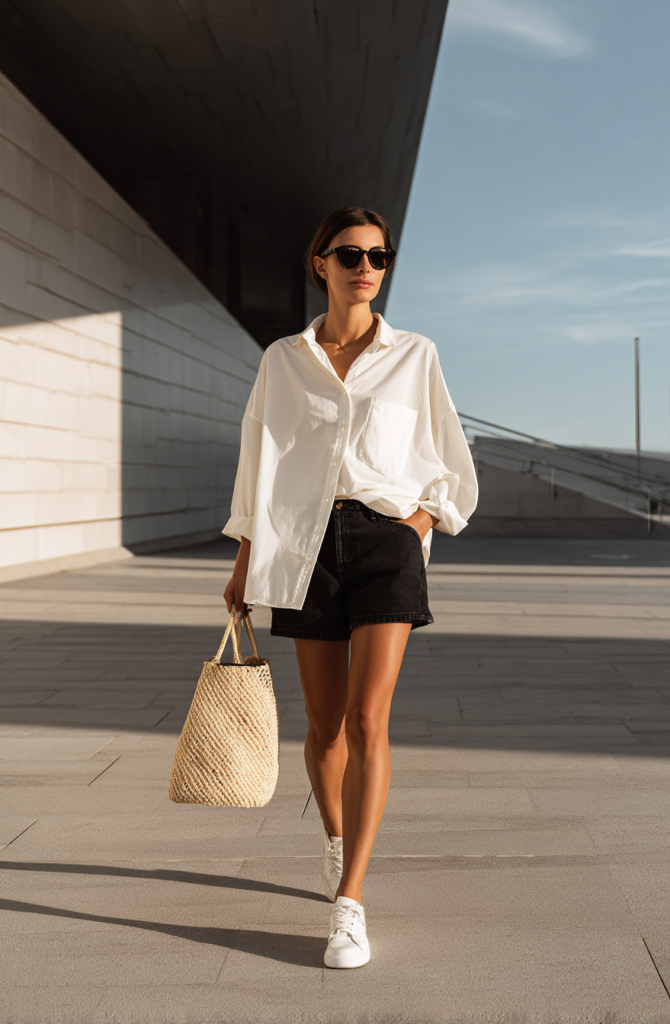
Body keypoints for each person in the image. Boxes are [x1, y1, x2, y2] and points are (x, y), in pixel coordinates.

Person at [223, 206, 477, 969]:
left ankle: (350, 902)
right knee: (325, 729)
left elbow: (452, 462)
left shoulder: (414, 354)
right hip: (303, 547)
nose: (366, 265)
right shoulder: (283, 359)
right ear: (320, 265)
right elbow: (256, 457)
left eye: (379, 254)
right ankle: (335, 841)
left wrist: (421, 522)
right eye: (350, 253)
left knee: (369, 721)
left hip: (385, 543)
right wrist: (243, 556)